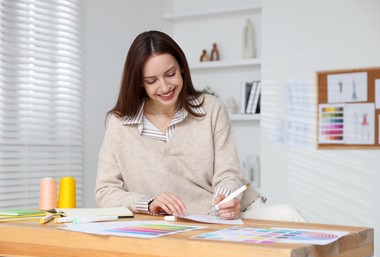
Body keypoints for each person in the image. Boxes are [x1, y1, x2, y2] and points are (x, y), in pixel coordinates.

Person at [95, 30, 305, 222]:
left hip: (223, 215)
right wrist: (148, 203)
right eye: (152, 80)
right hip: (171, 223)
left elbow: (228, 172)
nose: (165, 86)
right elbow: (105, 191)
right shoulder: (120, 124)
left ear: (182, 69)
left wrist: (226, 200)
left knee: (288, 215)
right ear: (139, 82)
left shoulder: (211, 109)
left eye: (170, 74)